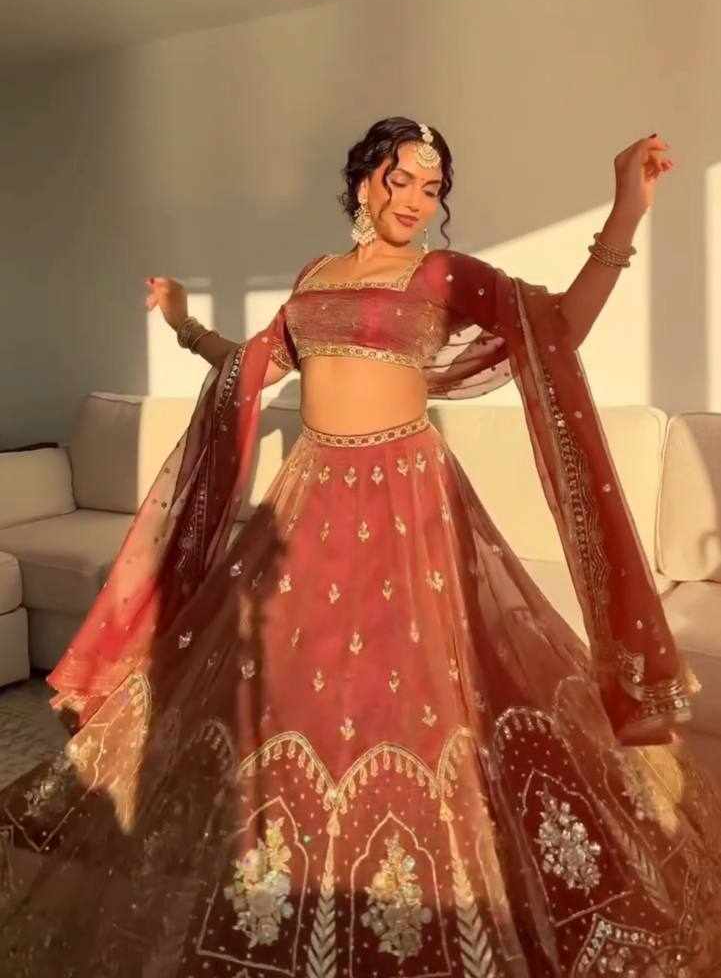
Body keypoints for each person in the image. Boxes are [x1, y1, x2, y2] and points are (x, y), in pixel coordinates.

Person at [1, 116, 720, 976]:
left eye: (431, 187)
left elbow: (557, 326)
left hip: (408, 500)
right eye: (399, 179)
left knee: (412, 698)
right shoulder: (315, 276)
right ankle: (290, 876)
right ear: (362, 180)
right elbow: (251, 368)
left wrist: (625, 211)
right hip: (310, 496)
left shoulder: (445, 274)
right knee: (283, 690)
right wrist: (186, 325)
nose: (415, 199)